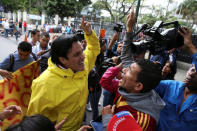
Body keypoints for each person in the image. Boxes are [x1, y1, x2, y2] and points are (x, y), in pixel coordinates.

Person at [27, 17, 100, 131]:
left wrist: (89, 33)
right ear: (63, 60)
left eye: (82, 50)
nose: (83, 56)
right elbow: (33, 125)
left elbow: (92, 49)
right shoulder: (44, 84)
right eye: (77, 54)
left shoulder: (82, 65)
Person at [100, 9, 165, 131]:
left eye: (128, 70)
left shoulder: (143, 120)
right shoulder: (130, 87)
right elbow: (125, 56)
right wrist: (129, 29)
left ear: (138, 86)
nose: (123, 70)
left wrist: (107, 119)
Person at [155, 28, 197, 131]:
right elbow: (142, 81)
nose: (192, 73)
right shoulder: (169, 86)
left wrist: (190, 46)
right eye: (192, 70)